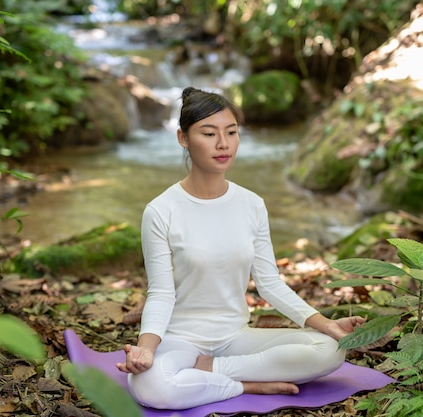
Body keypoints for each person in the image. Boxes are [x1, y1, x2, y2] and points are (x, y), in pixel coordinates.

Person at [116, 86, 366, 410]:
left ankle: (212, 373)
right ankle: (246, 385)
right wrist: (146, 348)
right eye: (209, 133)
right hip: (181, 339)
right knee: (149, 385)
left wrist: (326, 324)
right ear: (183, 138)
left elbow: (270, 283)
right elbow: (161, 293)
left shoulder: (251, 204)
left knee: (331, 349)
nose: (223, 144)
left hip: (236, 337)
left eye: (231, 132)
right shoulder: (161, 210)